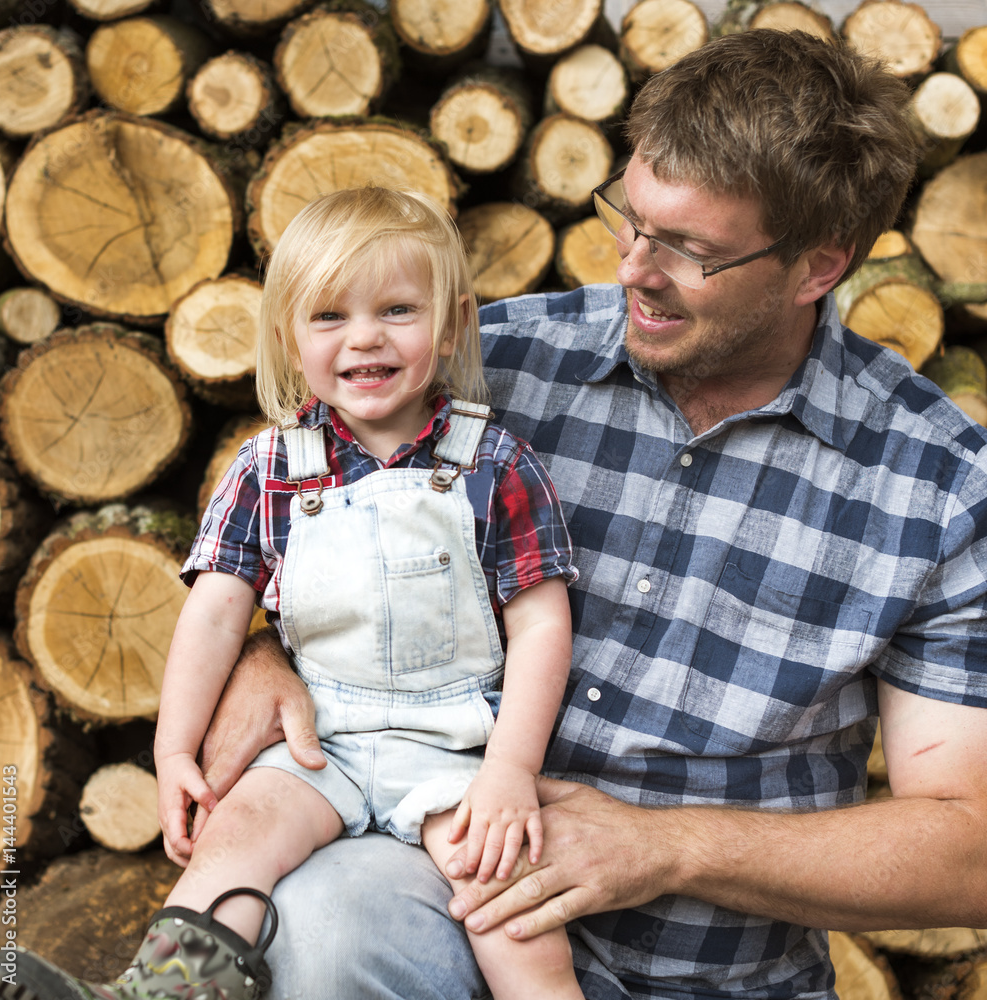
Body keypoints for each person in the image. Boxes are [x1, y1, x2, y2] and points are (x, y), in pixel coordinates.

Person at [146, 28, 987, 1000]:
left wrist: (664, 846)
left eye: (688, 250)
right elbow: (292, 511)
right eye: (628, 219)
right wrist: (259, 648)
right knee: (333, 918)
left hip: (712, 972)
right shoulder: (482, 363)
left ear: (816, 268)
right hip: (439, 881)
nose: (633, 268)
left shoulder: (937, 486)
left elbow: (968, 849)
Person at [0, 187, 581, 1000]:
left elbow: (543, 623)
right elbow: (215, 614)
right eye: (329, 316)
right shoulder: (269, 468)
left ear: (451, 326)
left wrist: (511, 770)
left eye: (398, 310)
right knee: (239, 837)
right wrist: (173, 750)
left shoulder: (496, 465)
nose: (365, 337)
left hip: (450, 754)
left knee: (509, 900)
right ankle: (156, 992)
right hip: (319, 743)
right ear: (287, 336)